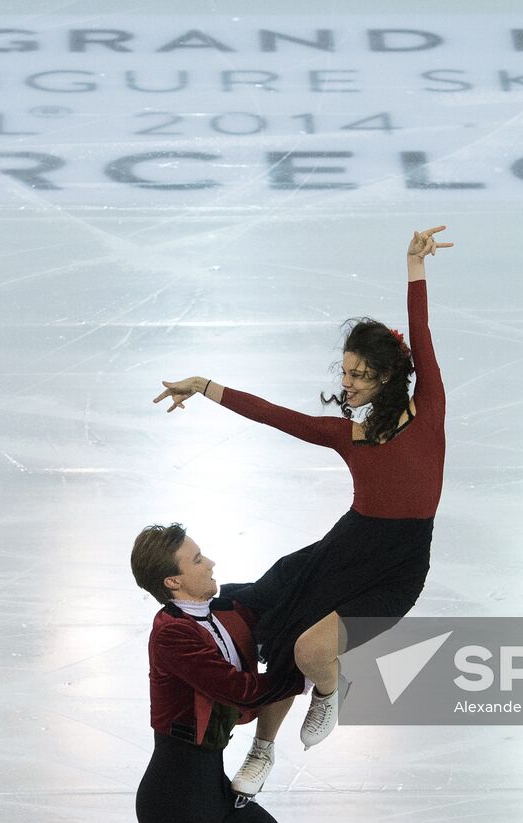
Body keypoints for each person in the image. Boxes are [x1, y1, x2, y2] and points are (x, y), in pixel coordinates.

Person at [153, 226, 451, 748]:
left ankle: (330, 692)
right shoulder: (345, 434)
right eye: (346, 373)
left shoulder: (428, 412)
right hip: (345, 549)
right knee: (274, 620)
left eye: (358, 375)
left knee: (312, 652)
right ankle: (262, 748)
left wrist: (414, 266)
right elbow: (274, 416)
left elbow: (420, 331)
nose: (347, 384)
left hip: (399, 566)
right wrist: (204, 385)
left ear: (385, 375)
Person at [130, 523, 302, 822]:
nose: (210, 563)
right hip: (176, 799)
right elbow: (241, 691)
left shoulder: (225, 609)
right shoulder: (172, 634)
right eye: (197, 560)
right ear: (172, 581)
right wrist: (306, 676)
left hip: (210, 787)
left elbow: (284, 579)